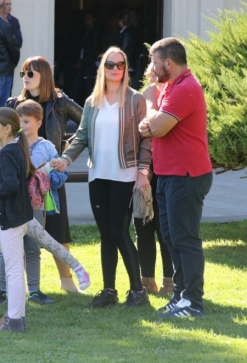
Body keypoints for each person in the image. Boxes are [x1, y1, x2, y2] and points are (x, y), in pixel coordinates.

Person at [53, 46, 152, 308]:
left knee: (120, 231)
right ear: (102, 68)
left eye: (121, 65)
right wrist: (65, 159)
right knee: (106, 234)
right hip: (98, 176)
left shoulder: (135, 99)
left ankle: (137, 291)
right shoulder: (92, 102)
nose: (116, 69)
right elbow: (82, 135)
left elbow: (146, 140)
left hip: (125, 175)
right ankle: (109, 290)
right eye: (110, 64)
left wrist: (143, 172)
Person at [0, 141, 90, 309]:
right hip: (8, 229)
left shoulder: (11, 177)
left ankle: (78, 269)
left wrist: (51, 166)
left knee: (50, 244)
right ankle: (3, 292)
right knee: (8, 258)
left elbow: (34, 174)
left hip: (25, 220)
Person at [139, 38, 213, 318]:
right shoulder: (171, 87)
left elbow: (155, 128)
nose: (152, 68)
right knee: (171, 237)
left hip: (186, 175)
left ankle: (193, 302)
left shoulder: (185, 89)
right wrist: (153, 117)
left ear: (168, 63)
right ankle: (181, 295)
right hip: (170, 174)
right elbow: (150, 127)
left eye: (155, 63)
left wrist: (148, 100)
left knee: (185, 237)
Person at [6, 56, 83, 292]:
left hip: (50, 176)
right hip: (20, 177)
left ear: (44, 76)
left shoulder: (60, 101)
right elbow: (2, 131)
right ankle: (19, 284)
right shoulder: (13, 103)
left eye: (31, 74)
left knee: (59, 228)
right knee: (19, 231)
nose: (26, 78)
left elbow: (86, 125)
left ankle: (67, 281)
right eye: (23, 74)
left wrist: (66, 154)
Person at [0, 100, 68, 305]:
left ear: (39, 122)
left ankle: (34, 290)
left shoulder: (47, 147)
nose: (23, 125)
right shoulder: (10, 146)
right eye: (20, 121)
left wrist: (46, 177)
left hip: (35, 207)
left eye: (27, 121)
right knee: (6, 249)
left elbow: (62, 176)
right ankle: (1, 290)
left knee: (33, 248)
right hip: (11, 206)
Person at [0, 107, 34, 333]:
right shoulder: (15, 149)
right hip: (18, 217)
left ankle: (14, 321)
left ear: (7, 129)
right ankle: (16, 318)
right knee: (16, 268)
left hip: (12, 219)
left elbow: (11, 185)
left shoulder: (7, 152)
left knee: (13, 270)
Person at [134, 63, 174, 297]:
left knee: (164, 229)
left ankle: (169, 281)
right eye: (151, 77)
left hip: (165, 172)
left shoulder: (170, 101)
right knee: (143, 226)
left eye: (159, 78)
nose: (154, 82)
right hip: (142, 173)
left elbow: (157, 128)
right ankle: (146, 279)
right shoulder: (140, 102)